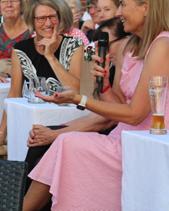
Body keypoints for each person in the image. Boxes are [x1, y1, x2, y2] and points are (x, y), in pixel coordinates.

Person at [24, 0, 169, 211]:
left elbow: (135, 114)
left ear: (146, 7)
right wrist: (104, 83)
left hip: (151, 146)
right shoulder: (132, 46)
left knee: (66, 143)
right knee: (62, 144)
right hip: (125, 136)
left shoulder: (164, 46)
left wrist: (80, 99)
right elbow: (118, 106)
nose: (118, 12)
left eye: (123, 4)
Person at [24, 18, 128, 201]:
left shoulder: (122, 66)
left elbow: (108, 117)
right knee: (38, 142)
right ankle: (19, 202)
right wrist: (59, 127)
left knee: (46, 145)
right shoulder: (107, 67)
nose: (102, 50)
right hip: (103, 123)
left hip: (114, 132)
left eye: (106, 44)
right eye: (98, 44)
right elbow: (99, 111)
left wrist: (57, 132)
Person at [0, 0, 84, 146]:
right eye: (41, 18)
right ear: (31, 22)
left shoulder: (74, 45)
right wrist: (1, 136)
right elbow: (14, 94)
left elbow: (76, 90)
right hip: (34, 122)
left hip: (68, 121)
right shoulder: (21, 50)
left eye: (52, 17)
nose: (48, 23)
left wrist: (51, 58)